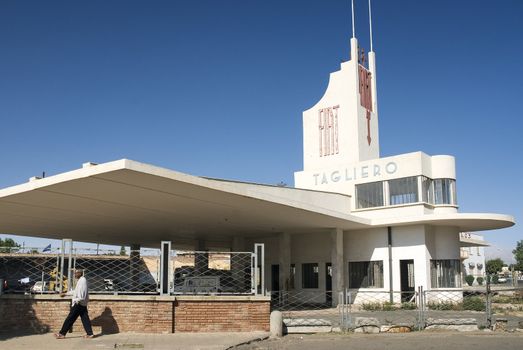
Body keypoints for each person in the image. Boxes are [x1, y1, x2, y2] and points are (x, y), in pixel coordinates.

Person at [54, 269, 94, 339]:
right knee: (85, 318)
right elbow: (76, 291)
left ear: (80, 273)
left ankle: (62, 333)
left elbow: (82, 294)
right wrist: (66, 294)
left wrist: (77, 300)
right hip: (81, 303)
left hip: (78, 303)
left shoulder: (82, 281)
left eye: (76, 273)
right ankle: (90, 334)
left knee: (70, 318)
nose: (74, 275)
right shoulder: (81, 280)